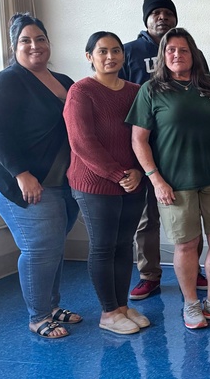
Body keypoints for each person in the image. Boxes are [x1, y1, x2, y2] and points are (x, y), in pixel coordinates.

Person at [126, 28, 210, 329]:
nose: (177, 55)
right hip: (175, 185)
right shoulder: (151, 91)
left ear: (194, 54)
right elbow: (139, 140)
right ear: (163, 56)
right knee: (187, 244)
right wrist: (155, 179)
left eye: (184, 50)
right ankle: (191, 304)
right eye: (171, 50)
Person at [0, 13, 80, 339]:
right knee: (39, 247)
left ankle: (51, 306)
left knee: (53, 245)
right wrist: (21, 173)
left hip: (60, 180)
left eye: (40, 39)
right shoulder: (7, 81)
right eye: (26, 40)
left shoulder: (64, 81)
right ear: (14, 46)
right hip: (18, 179)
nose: (34, 46)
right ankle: (38, 317)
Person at [121, 0, 208, 300]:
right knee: (147, 217)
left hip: (184, 151)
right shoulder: (130, 53)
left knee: (189, 213)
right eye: (155, 13)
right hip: (145, 149)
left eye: (167, 13)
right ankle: (149, 274)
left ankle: (194, 269)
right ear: (146, 20)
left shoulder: (192, 53)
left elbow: (204, 92)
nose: (162, 18)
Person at [63, 31, 149, 335]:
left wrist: (138, 171)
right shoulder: (81, 91)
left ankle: (122, 306)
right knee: (103, 247)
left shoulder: (137, 91)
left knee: (124, 245)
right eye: (102, 52)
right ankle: (108, 312)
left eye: (115, 51)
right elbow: (82, 142)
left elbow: (146, 136)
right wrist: (118, 174)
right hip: (94, 184)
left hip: (133, 181)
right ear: (90, 57)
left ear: (123, 56)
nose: (110, 57)